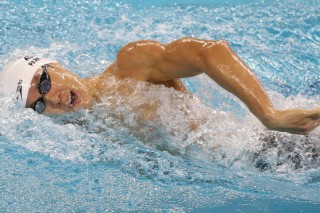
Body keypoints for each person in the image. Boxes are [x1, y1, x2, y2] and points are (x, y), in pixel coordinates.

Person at [0, 37, 320, 135]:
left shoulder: (129, 66)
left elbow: (209, 53)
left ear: (55, 65)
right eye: (38, 105)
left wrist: (270, 115)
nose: (52, 99)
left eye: (43, 82)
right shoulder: (93, 131)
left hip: (277, 143)